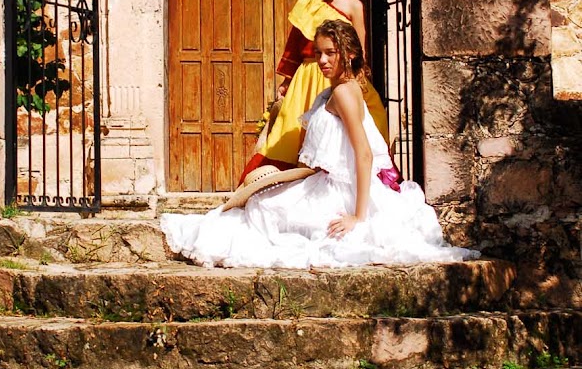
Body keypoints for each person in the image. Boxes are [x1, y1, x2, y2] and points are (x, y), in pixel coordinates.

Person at [161, 20, 478, 270]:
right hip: (327, 180)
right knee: (263, 203)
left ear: (349, 54)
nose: (323, 60)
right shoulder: (340, 89)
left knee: (263, 210)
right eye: (319, 53)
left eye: (331, 53)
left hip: (342, 189)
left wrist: (357, 216)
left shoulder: (344, 92)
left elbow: (364, 153)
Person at [239, 0, 388, 184]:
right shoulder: (307, 3)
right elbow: (294, 45)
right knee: (294, 134)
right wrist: (287, 81)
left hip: (340, 76)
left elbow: (358, 48)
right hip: (306, 77)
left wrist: (358, 79)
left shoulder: (354, 7)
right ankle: (292, 184)